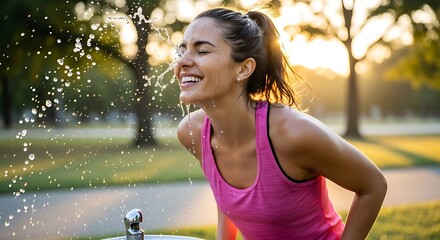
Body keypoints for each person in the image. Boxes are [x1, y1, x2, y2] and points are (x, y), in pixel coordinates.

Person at [174, 6, 387, 240]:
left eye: (202, 51)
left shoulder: (294, 134)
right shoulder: (191, 132)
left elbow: (373, 185)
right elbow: (229, 203)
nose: (182, 61)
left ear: (244, 68)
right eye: (182, 50)